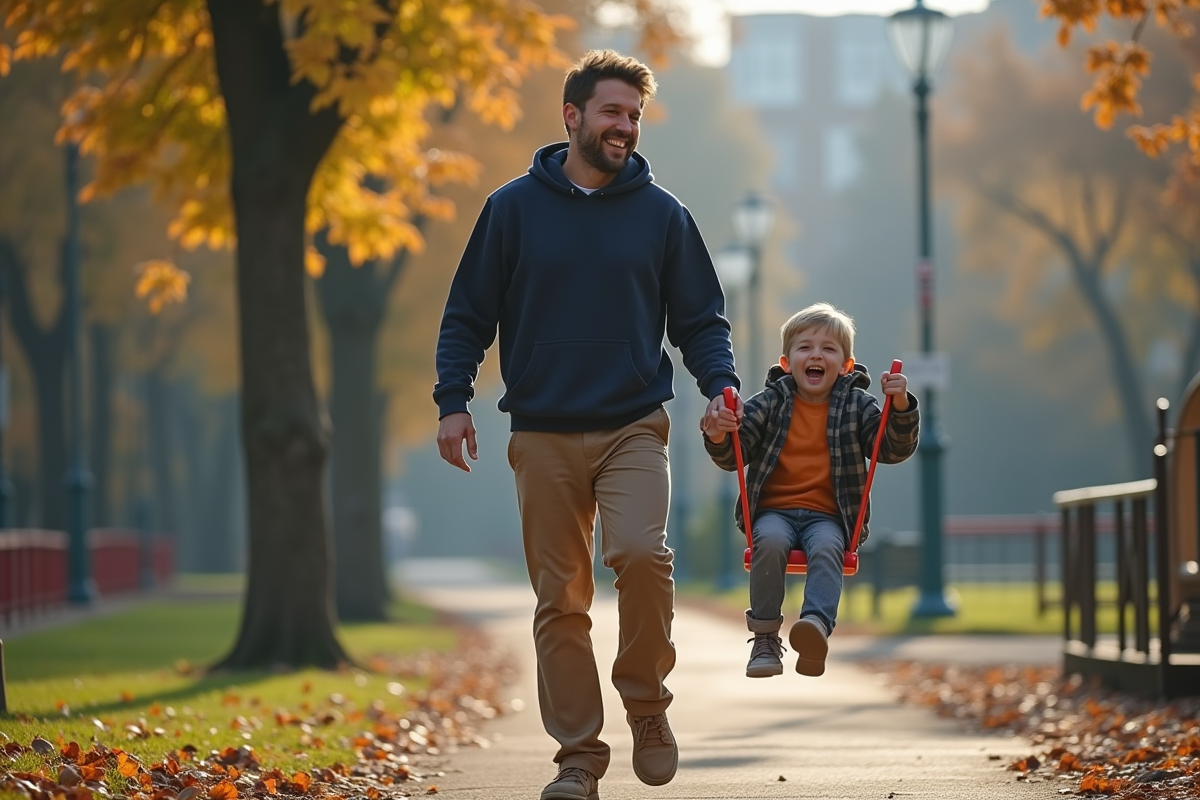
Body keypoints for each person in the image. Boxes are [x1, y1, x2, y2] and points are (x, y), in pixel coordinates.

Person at [433, 49, 742, 800]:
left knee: (640, 555)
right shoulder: (511, 209)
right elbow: (468, 314)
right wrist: (452, 400)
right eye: (612, 112)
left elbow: (701, 320)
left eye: (633, 116)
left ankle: (647, 702)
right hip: (540, 429)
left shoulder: (664, 216)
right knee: (560, 600)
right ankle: (578, 757)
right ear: (571, 116)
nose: (625, 127)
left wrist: (720, 386)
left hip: (633, 420)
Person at [701, 302, 918, 679]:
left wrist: (898, 405)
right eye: (805, 347)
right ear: (786, 362)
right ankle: (766, 639)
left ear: (846, 365)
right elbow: (737, 450)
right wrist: (720, 430)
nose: (816, 354)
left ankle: (814, 628)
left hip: (829, 514)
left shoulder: (857, 404)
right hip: (774, 512)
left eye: (829, 349)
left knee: (828, 547)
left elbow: (891, 448)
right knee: (767, 543)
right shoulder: (771, 401)